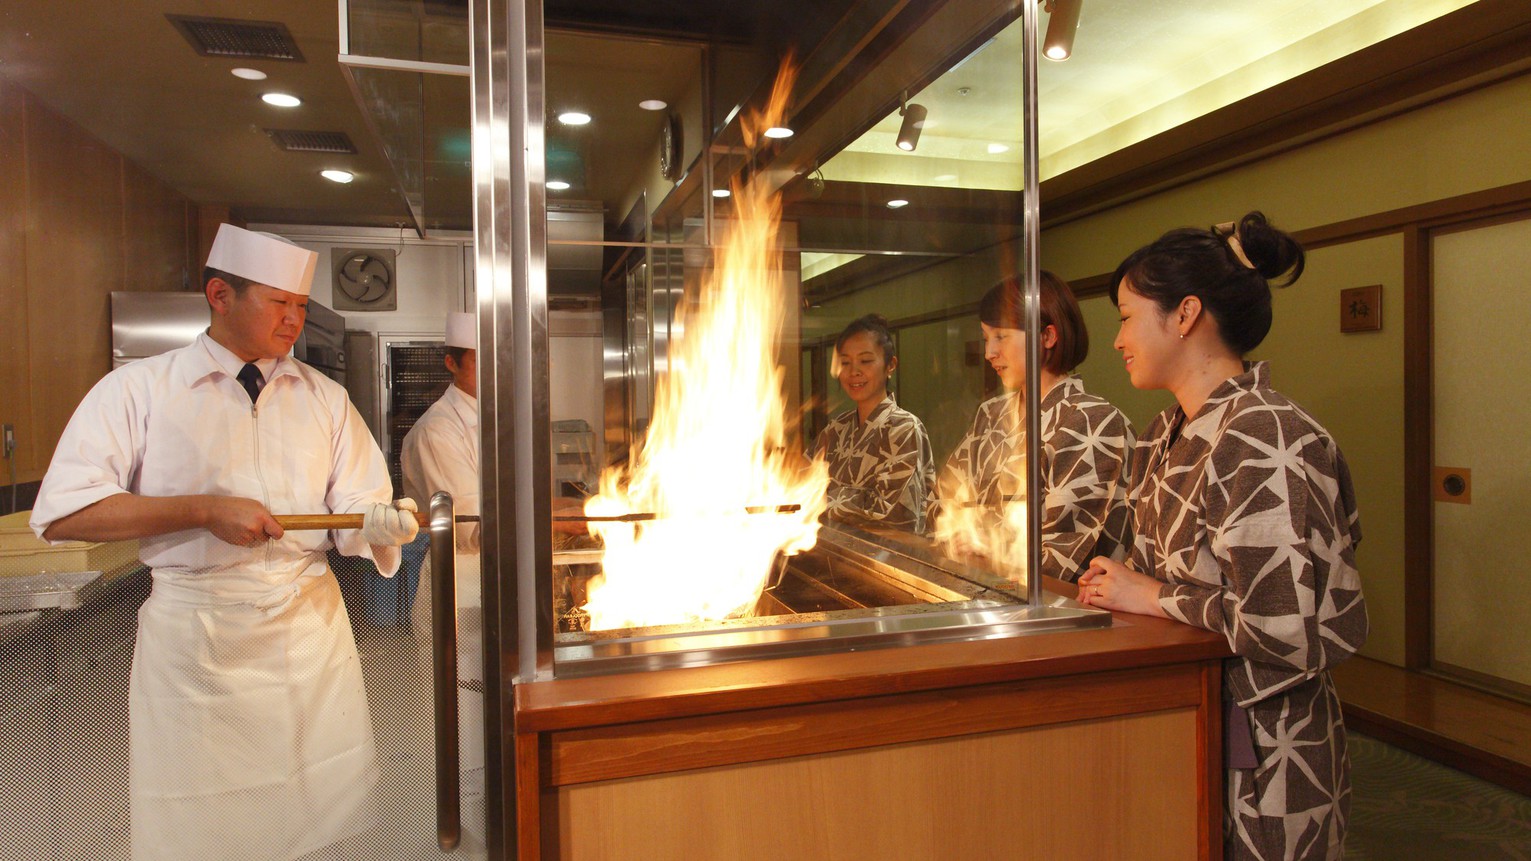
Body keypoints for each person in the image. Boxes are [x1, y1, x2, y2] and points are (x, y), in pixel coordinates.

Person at [30, 224, 420, 861]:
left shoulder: (325, 399)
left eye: (300, 306)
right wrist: (203, 511)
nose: (294, 320)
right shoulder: (140, 391)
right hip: (196, 645)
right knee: (206, 832)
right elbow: (65, 513)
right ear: (220, 294)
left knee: (326, 817)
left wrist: (375, 522)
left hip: (306, 634)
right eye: (278, 303)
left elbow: (353, 506)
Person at [1077, 211, 1368, 860]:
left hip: (1266, 740)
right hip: (1183, 712)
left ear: (1184, 314)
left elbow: (1285, 625)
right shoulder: (1160, 433)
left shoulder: (1266, 435)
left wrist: (1153, 596)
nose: (1118, 339)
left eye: (1126, 316)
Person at [935, 271, 1134, 582]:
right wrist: (962, 532)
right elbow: (947, 498)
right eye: (987, 338)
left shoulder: (1093, 421)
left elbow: (1066, 551)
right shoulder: (991, 414)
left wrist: (984, 540)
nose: (989, 353)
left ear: (1047, 336)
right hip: (979, 586)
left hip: (1057, 608)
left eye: (1001, 336)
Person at [401, 310, 487, 851]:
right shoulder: (439, 428)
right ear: (453, 364)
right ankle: (469, 843)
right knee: (466, 733)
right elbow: (471, 526)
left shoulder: (499, 416)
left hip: (499, 589)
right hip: (464, 592)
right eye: (482, 362)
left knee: (495, 721)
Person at [813, 313, 935, 533]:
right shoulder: (835, 429)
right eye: (845, 362)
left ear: (891, 365)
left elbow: (895, 515)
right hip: (834, 552)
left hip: (889, 556)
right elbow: (801, 481)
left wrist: (824, 498)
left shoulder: (904, 428)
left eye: (866, 361)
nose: (853, 372)